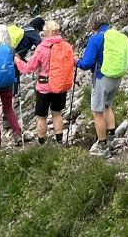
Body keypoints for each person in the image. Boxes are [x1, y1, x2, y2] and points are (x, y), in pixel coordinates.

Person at [16, 19, 75, 144]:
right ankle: (59, 143)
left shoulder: (42, 48)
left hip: (44, 86)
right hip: (60, 85)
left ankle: (42, 144)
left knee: (41, 117)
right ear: (57, 31)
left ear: (47, 32)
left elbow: (29, 68)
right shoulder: (66, 46)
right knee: (57, 114)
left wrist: (17, 61)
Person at [76, 14, 120, 156]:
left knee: (97, 112)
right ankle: (113, 139)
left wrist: (76, 61)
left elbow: (87, 63)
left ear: (93, 25)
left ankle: (102, 146)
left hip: (102, 78)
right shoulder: (115, 36)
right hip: (116, 76)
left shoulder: (96, 38)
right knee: (107, 106)